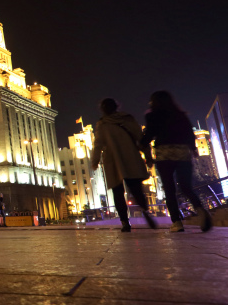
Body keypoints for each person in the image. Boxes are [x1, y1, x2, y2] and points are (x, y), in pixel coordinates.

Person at [140, 91, 212, 232]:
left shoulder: (152, 114)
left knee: (169, 188)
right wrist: (193, 148)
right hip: (182, 152)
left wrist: (141, 144)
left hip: (164, 153)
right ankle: (200, 208)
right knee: (186, 186)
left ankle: (177, 222)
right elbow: (189, 133)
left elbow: (150, 132)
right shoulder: (180, 114)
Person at [91, 98, 156, 232]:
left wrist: (95, 161)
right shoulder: (127, 119)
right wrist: (148, 157)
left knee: (118, 191)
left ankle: (125, 222)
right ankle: (145, 210)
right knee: (135, 188)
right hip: (130, 156)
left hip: (112, 160)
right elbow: (141, 138)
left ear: (102, 110)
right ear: (117, 107)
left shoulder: (102, 124)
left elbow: (98, 144)